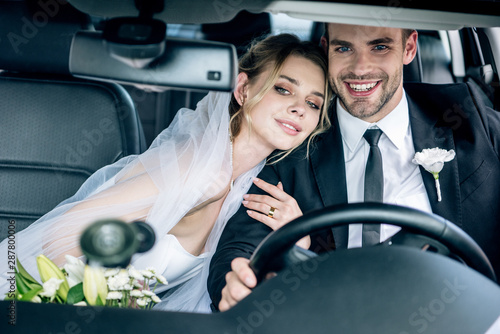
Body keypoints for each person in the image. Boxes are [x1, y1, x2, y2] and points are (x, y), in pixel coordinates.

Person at [0, 33, 331, 313]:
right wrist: (108, 301)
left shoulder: (252, 183)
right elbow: (58, 240)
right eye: (283, 89)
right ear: (243, 90)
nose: (299, 108)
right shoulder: (197, 170)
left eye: (314, 103)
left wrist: (295, 237)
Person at [208, 23, 500, 311]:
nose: (360, 68)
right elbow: (237, 252)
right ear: (327, 50)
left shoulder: (466, 114)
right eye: (344, 48)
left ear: (408, 48)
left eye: (380, 46)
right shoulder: (295, 143)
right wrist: (237, 286)